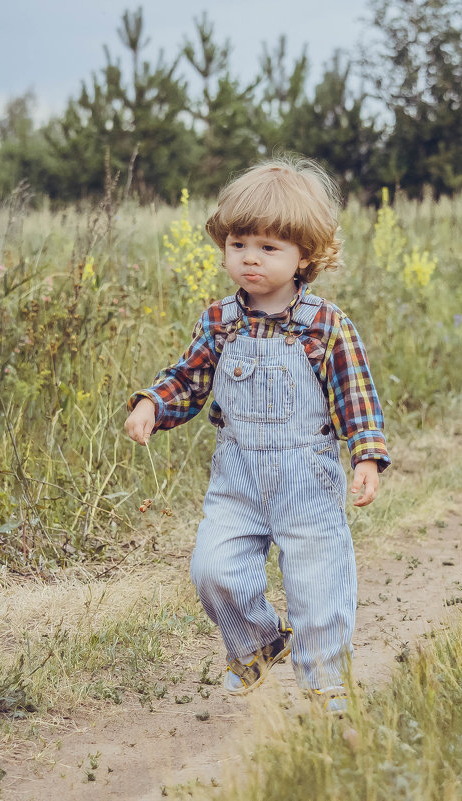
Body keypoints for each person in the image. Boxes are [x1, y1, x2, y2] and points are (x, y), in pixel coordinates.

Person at [124, 157, 389, 715]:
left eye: (269, 247)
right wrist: (153, 403)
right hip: (238, 476)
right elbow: (189, 379)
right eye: (239, 242)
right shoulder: (219, 322)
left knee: (318, 588)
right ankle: (258, 643)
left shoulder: (325, 324)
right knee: (213, 571)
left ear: (305, 256)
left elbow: (355, 395)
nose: (249, 257)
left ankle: (326, 688)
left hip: (307, 480)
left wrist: (366, 456)